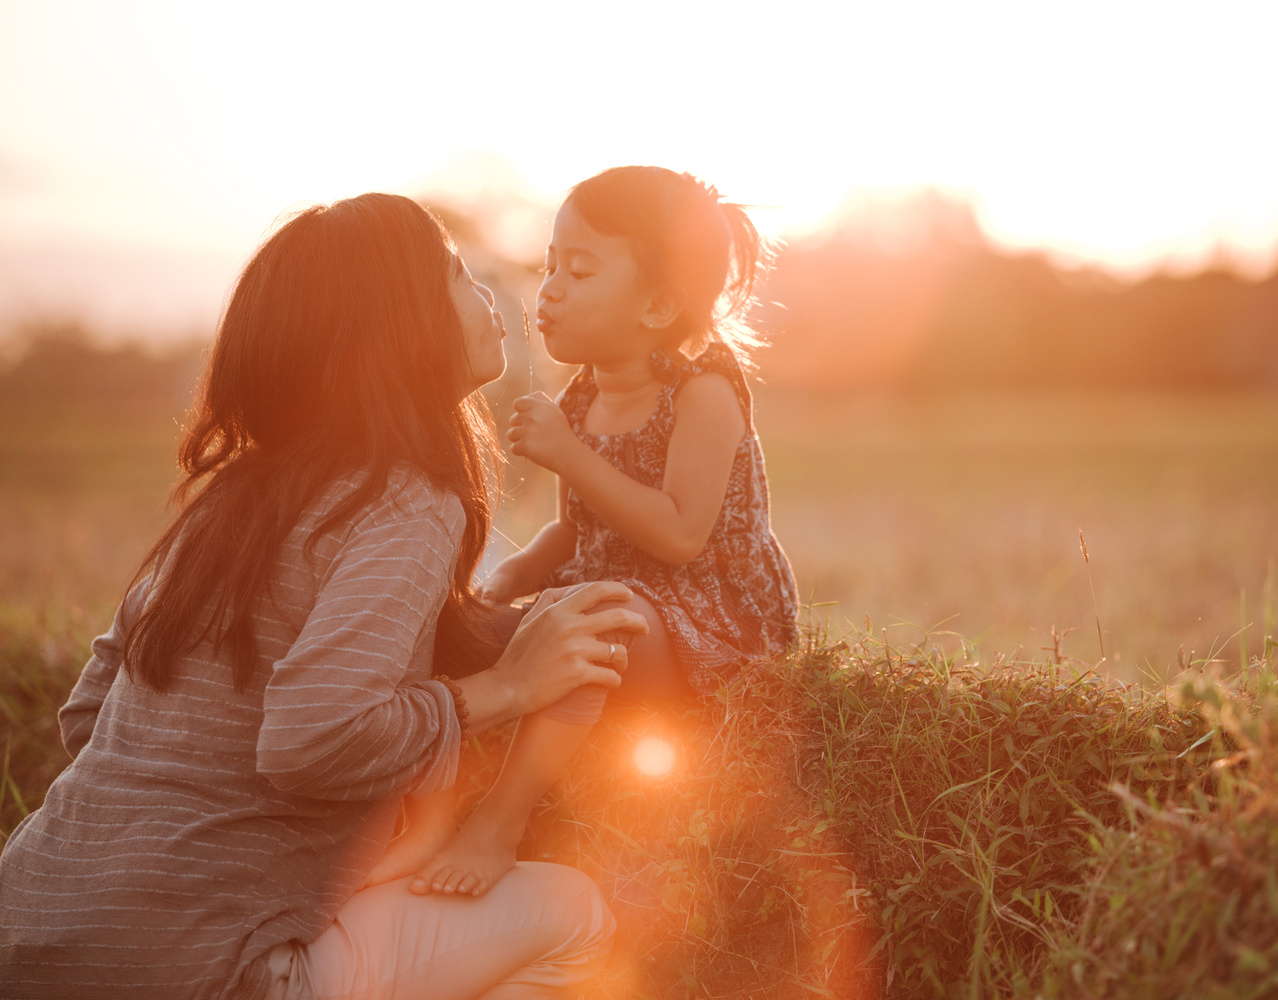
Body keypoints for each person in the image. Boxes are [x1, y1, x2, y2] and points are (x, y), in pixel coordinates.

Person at [0, 193, 644, 1000]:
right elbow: (309, 738)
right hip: (207, 971)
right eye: (452, 273)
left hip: (25, 933)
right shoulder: (407, 500)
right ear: (400, 328)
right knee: (575, 917)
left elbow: (89, 719)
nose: (485, 291)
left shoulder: (231, 500)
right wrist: (508, 687)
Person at [371, 166, 799, 900]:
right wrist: (507, 579)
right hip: (616, 596)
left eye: (581, 270)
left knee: (600, 613)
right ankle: (419, 807)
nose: (550, 290)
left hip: (714, 619)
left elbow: (678, 536)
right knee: (479, 625)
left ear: (660, 304)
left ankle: (500, 822)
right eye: (551, 265)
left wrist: (567, 453)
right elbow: (575, 531)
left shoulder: (705, 394)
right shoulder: (584, 394)